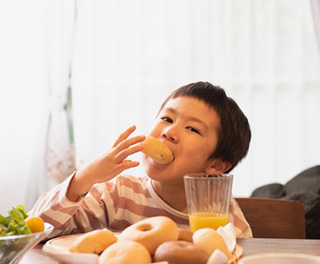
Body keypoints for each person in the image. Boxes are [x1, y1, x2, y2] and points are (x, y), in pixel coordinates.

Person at [30, 81, 253, 238]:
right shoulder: (117, 195)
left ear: (216, 165)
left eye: (192, 129)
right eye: (166, 118)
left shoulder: (221, 215)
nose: (168, 132)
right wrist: (85, 177)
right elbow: (35, 230)